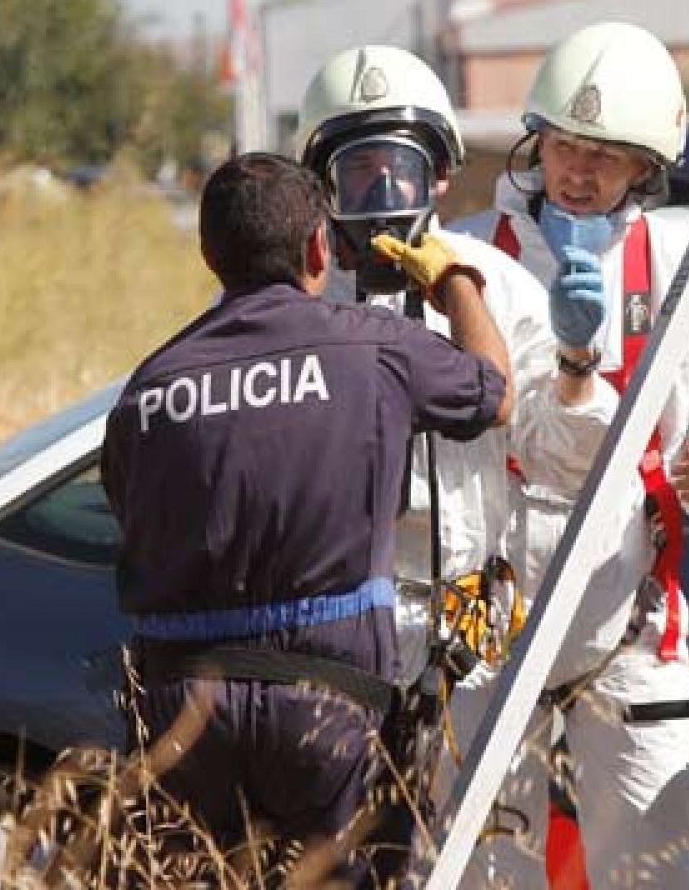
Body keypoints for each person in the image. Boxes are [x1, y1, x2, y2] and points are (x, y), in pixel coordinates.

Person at [100, 151, 512, 882]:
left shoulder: (153, 384)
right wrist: (455, 282)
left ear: (209, 257)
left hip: (184, 718)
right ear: (320, 247)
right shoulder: (371, 346)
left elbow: (127, 505)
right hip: (327, 711)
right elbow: (496, 393)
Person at [449, 20, 689, 888]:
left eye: (605, 153)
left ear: (646, 166)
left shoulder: (687, 266)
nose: (578, 171)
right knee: (484, 874)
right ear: (538, 143)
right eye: (564, 145)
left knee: (656, 871)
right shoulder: (467, 256)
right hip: (485, 625)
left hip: (630, 624)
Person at [294, 44, 606, 876]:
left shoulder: (495, 288)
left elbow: (563, 460)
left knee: (493, 860)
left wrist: (577, 366)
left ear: (438, 177)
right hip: (340, 627)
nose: (382, 200)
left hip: (470, 627)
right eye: (360, 176)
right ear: (323, 186)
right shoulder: (301, 301)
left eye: (402, 172)